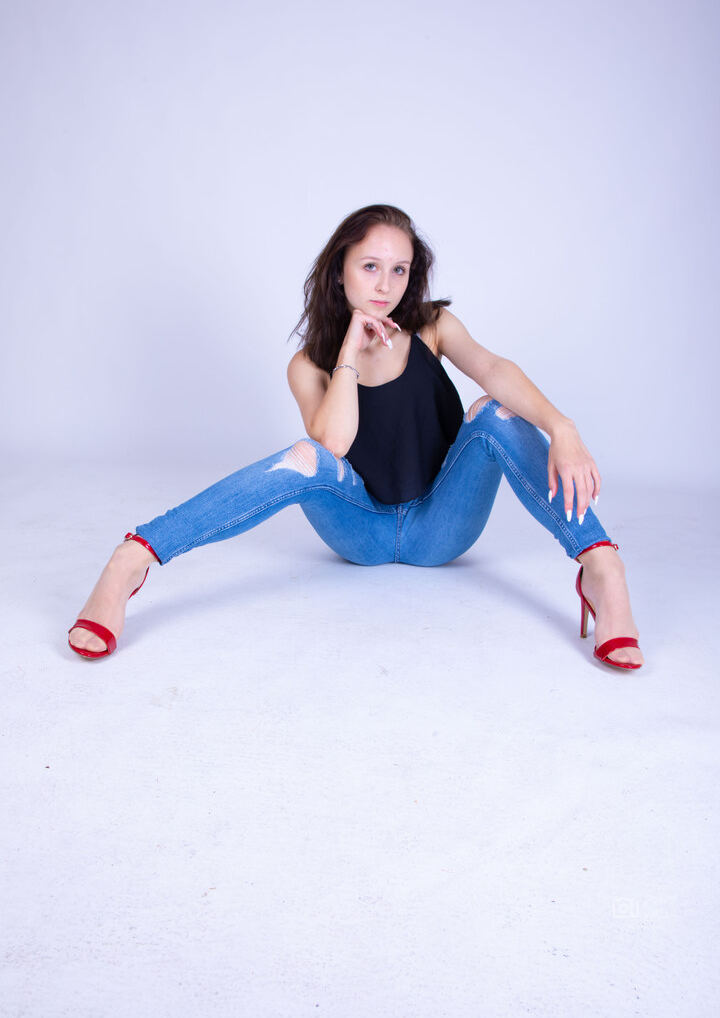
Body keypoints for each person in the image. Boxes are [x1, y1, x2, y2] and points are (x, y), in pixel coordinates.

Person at [68, 204, 643, 670]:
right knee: (305, 457)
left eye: (399, 270)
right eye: (370, 266)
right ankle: (133, 558)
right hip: (359, 529)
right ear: (339, 269)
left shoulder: (432, 327)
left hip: (442, 525)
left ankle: (600, 566)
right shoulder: (307, 365)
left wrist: (562, 427)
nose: (385, 285)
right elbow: (333, 446)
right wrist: (349, 347)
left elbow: (493, 368)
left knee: (496, 412)